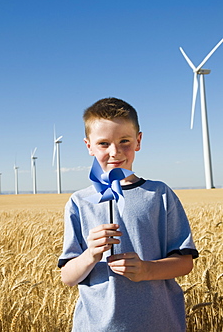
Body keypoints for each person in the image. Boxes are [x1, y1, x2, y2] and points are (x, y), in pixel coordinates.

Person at [58, 97, 198, 332]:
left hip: (159, 323)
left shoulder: (159, 194)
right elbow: (68, 277)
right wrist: (91, 254)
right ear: (88, 146)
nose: (115, 152)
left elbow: (184, 262)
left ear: (138, 141)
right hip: (97, 326)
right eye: (103, 143)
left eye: (124, 141)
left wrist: (147, 269)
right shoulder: (79, 202)